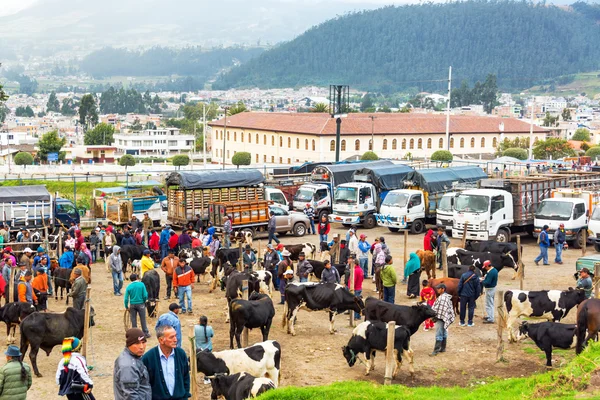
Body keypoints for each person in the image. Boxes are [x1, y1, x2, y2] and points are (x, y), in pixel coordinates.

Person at [142, 325, 190, 400]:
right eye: (171, 337)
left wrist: (185, 396)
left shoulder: (181, 354)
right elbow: (144, 384)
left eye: (175, 336)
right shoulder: (148, 358)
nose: (175, 340)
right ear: (161, 340)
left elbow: (186, 377)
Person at [113, 328, 152, 400]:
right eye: (137, 343)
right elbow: (131, 395)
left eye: (143, 342)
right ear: (129, 344)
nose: (141, 347)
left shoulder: (134, 357)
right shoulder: (128, 366)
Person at [430, 283, 455, 356]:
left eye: (439, 288)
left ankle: (436, 350)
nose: (437, 290)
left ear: (443, 289)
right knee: (444, 332)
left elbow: (439, 309)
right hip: (445, 317)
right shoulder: (446, 297)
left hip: (441, 318)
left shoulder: (442, 298)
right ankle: (443, 348)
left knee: (439, 333)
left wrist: (435, 317)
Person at [125, 273, 151, 338]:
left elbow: (126, 298)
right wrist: (144, 301)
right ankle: (145, 333)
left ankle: (135, 334)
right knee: (143, 319)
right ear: (137, 278)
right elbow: (145, 295)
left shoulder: (129, 286)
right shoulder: (141, 284)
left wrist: (126, 306)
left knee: (133, 319)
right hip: (141, 303)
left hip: (132, 305)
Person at [347, 254, 364, 319]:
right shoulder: (360, 270)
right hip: (359, 287)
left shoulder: (355, 271)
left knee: (355, 303)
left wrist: (351, 288)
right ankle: (358, 315)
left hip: (355, 288)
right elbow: (362, 279)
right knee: (358, 302)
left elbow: (353, 280)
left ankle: (355, 316)